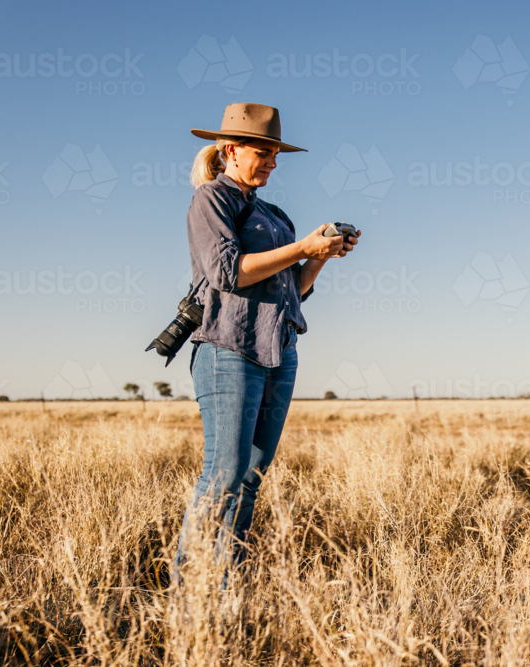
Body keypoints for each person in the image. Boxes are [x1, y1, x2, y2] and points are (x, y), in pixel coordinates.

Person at [174, 103, 357, 574]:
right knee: (224, 474)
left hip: (279, 351)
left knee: (249, 478)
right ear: (232, 150)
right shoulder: (212, 200)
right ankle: (188, 585)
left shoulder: (275, 214)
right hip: (228, 349)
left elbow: (290, 291)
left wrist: (320, 257)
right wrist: (302, 247)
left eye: (276, 153)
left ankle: (225, 585)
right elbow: (228, 272)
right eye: (264, 152)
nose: (273, 162)